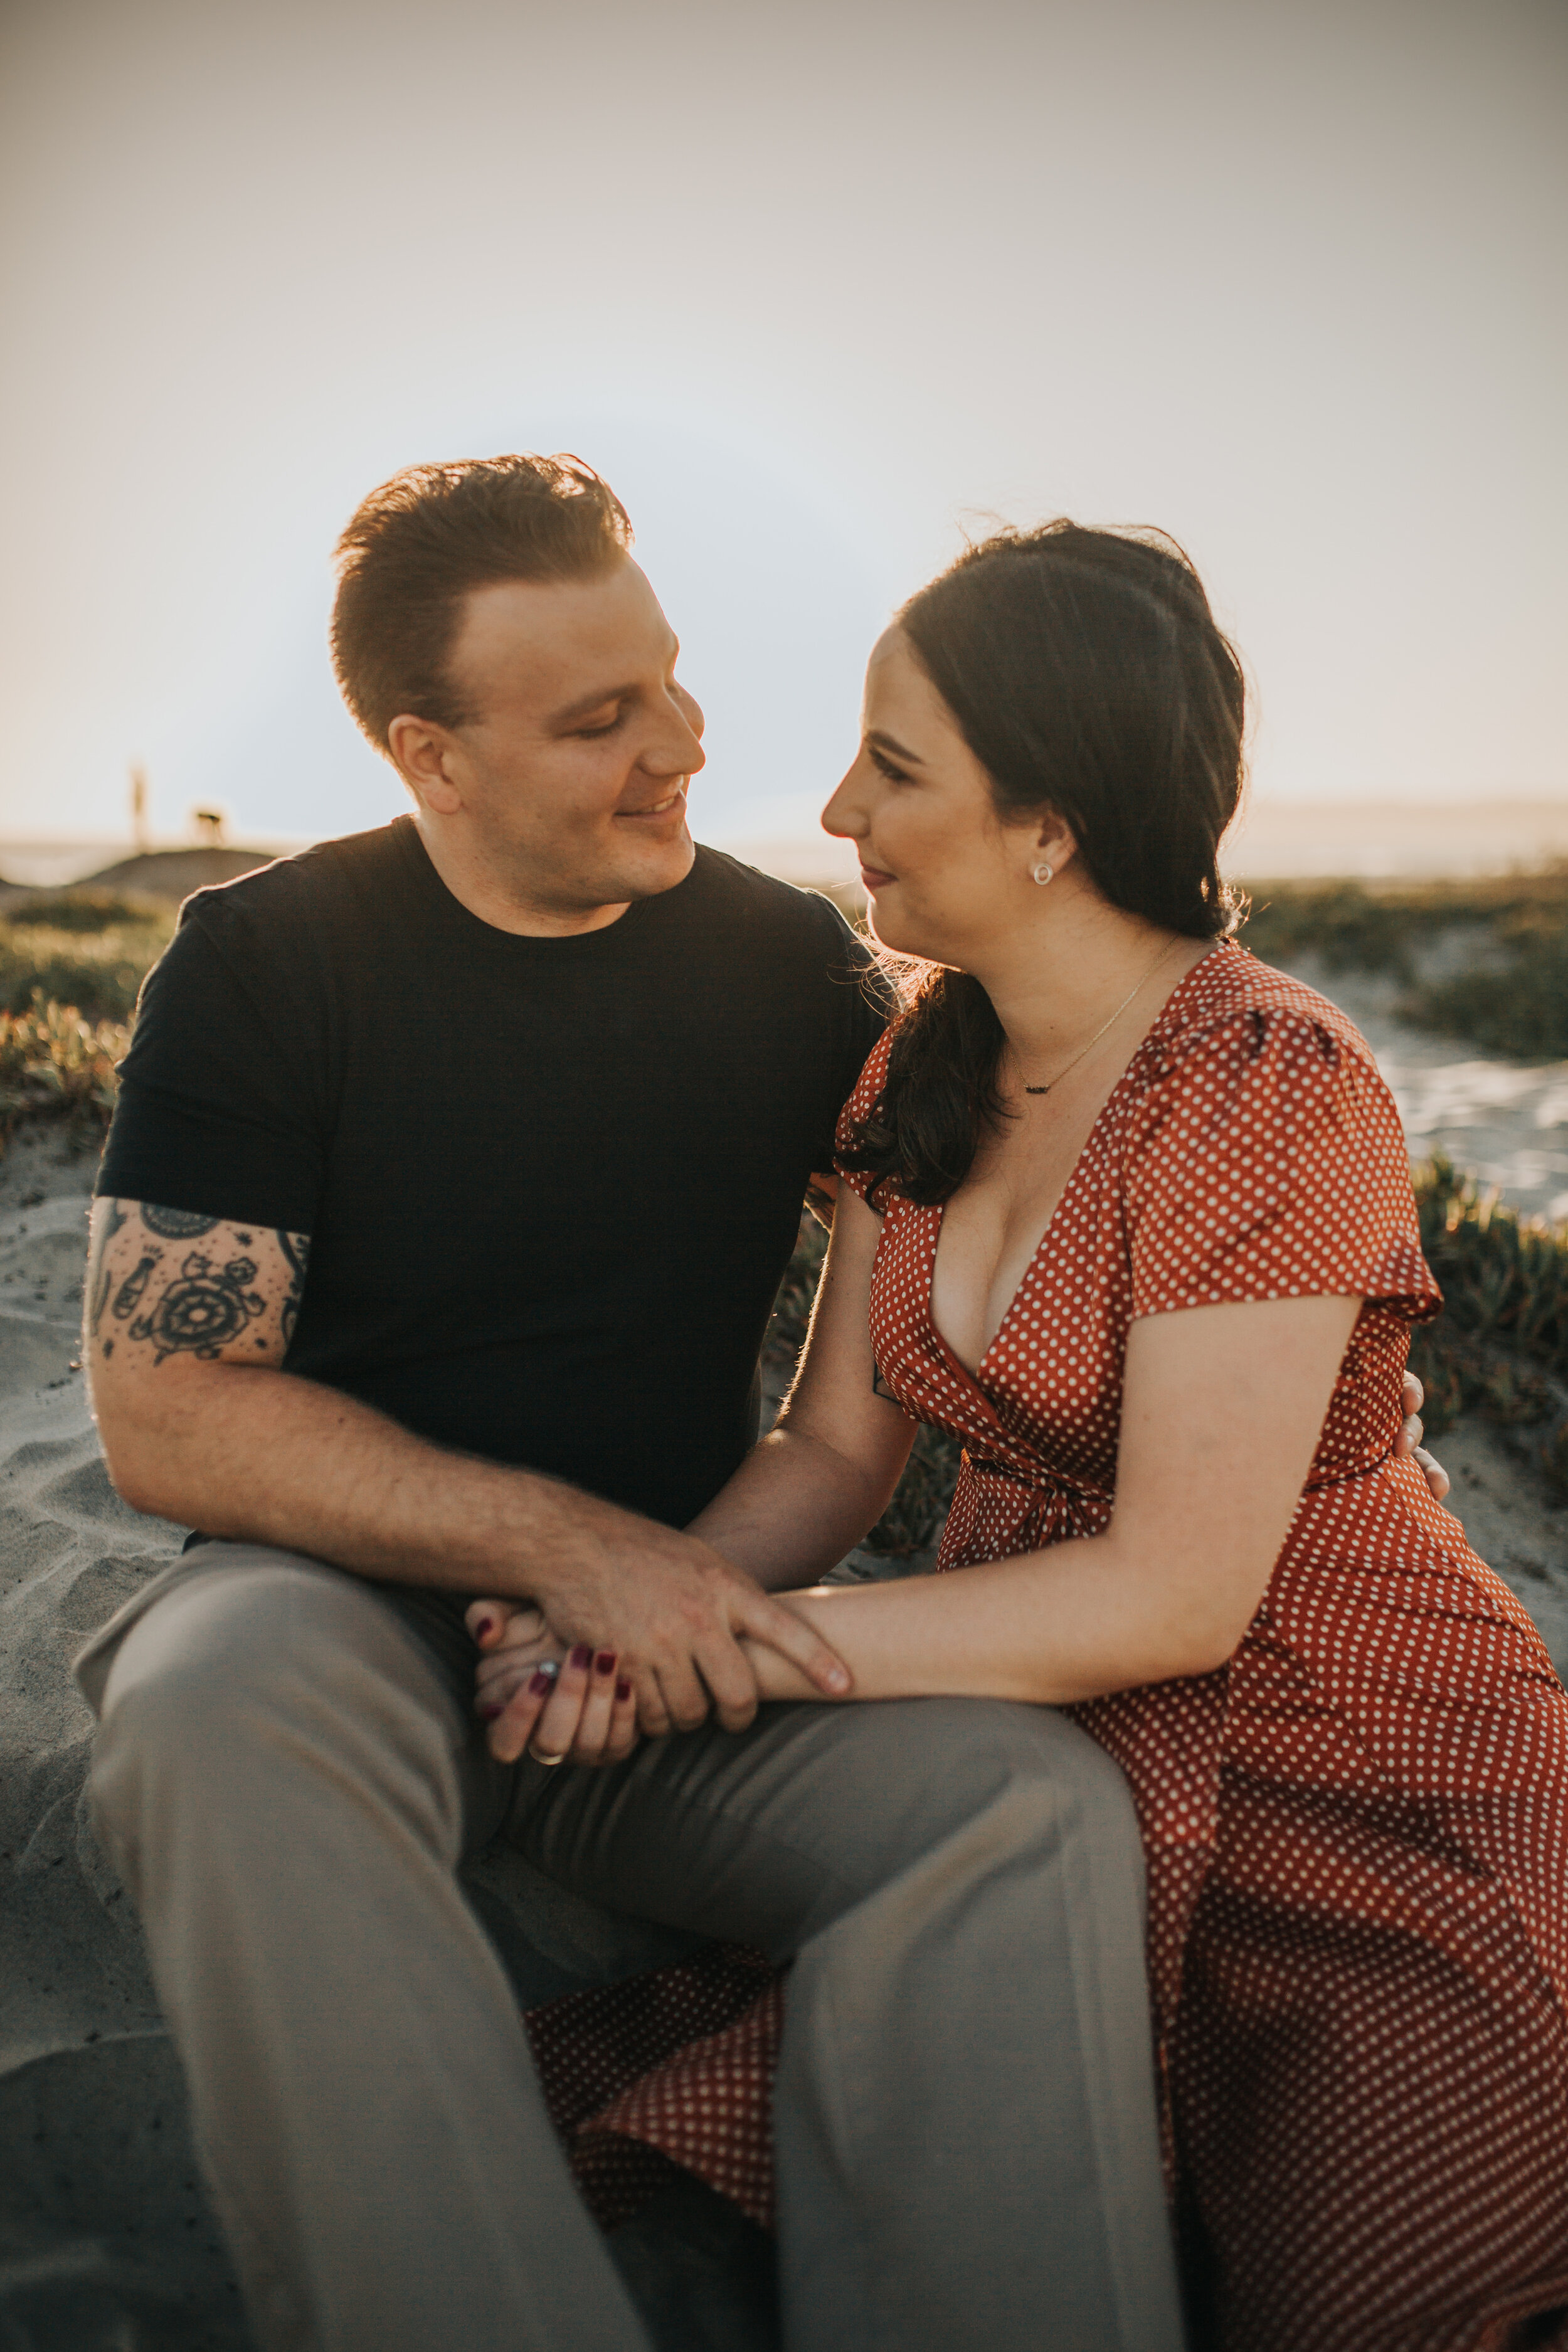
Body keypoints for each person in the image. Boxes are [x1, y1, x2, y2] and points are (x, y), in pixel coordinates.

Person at [73, 457, 1193, 2352]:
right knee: (200, 1696)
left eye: (668, 680)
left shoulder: (793, 978)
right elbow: (172, 1412)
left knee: (1014, 1804)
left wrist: (649, 1603)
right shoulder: (261, 966)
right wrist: (564, 1555)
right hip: (339, 1627)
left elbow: (872, 1392)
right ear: (430, 757)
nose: (678, 744)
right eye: (600, 721)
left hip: (673, 1655)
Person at [474, 522, 1568, 2352]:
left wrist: (708, 1656)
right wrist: (631, 1597)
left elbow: (1170, 1595)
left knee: (1402, 2294)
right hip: (1044, 1762)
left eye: (894, 770)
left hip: (1352, 1780)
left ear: (1049, 820)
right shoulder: (924, 1064)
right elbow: (833, 1451)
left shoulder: (1258, 1082)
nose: (834, 809)